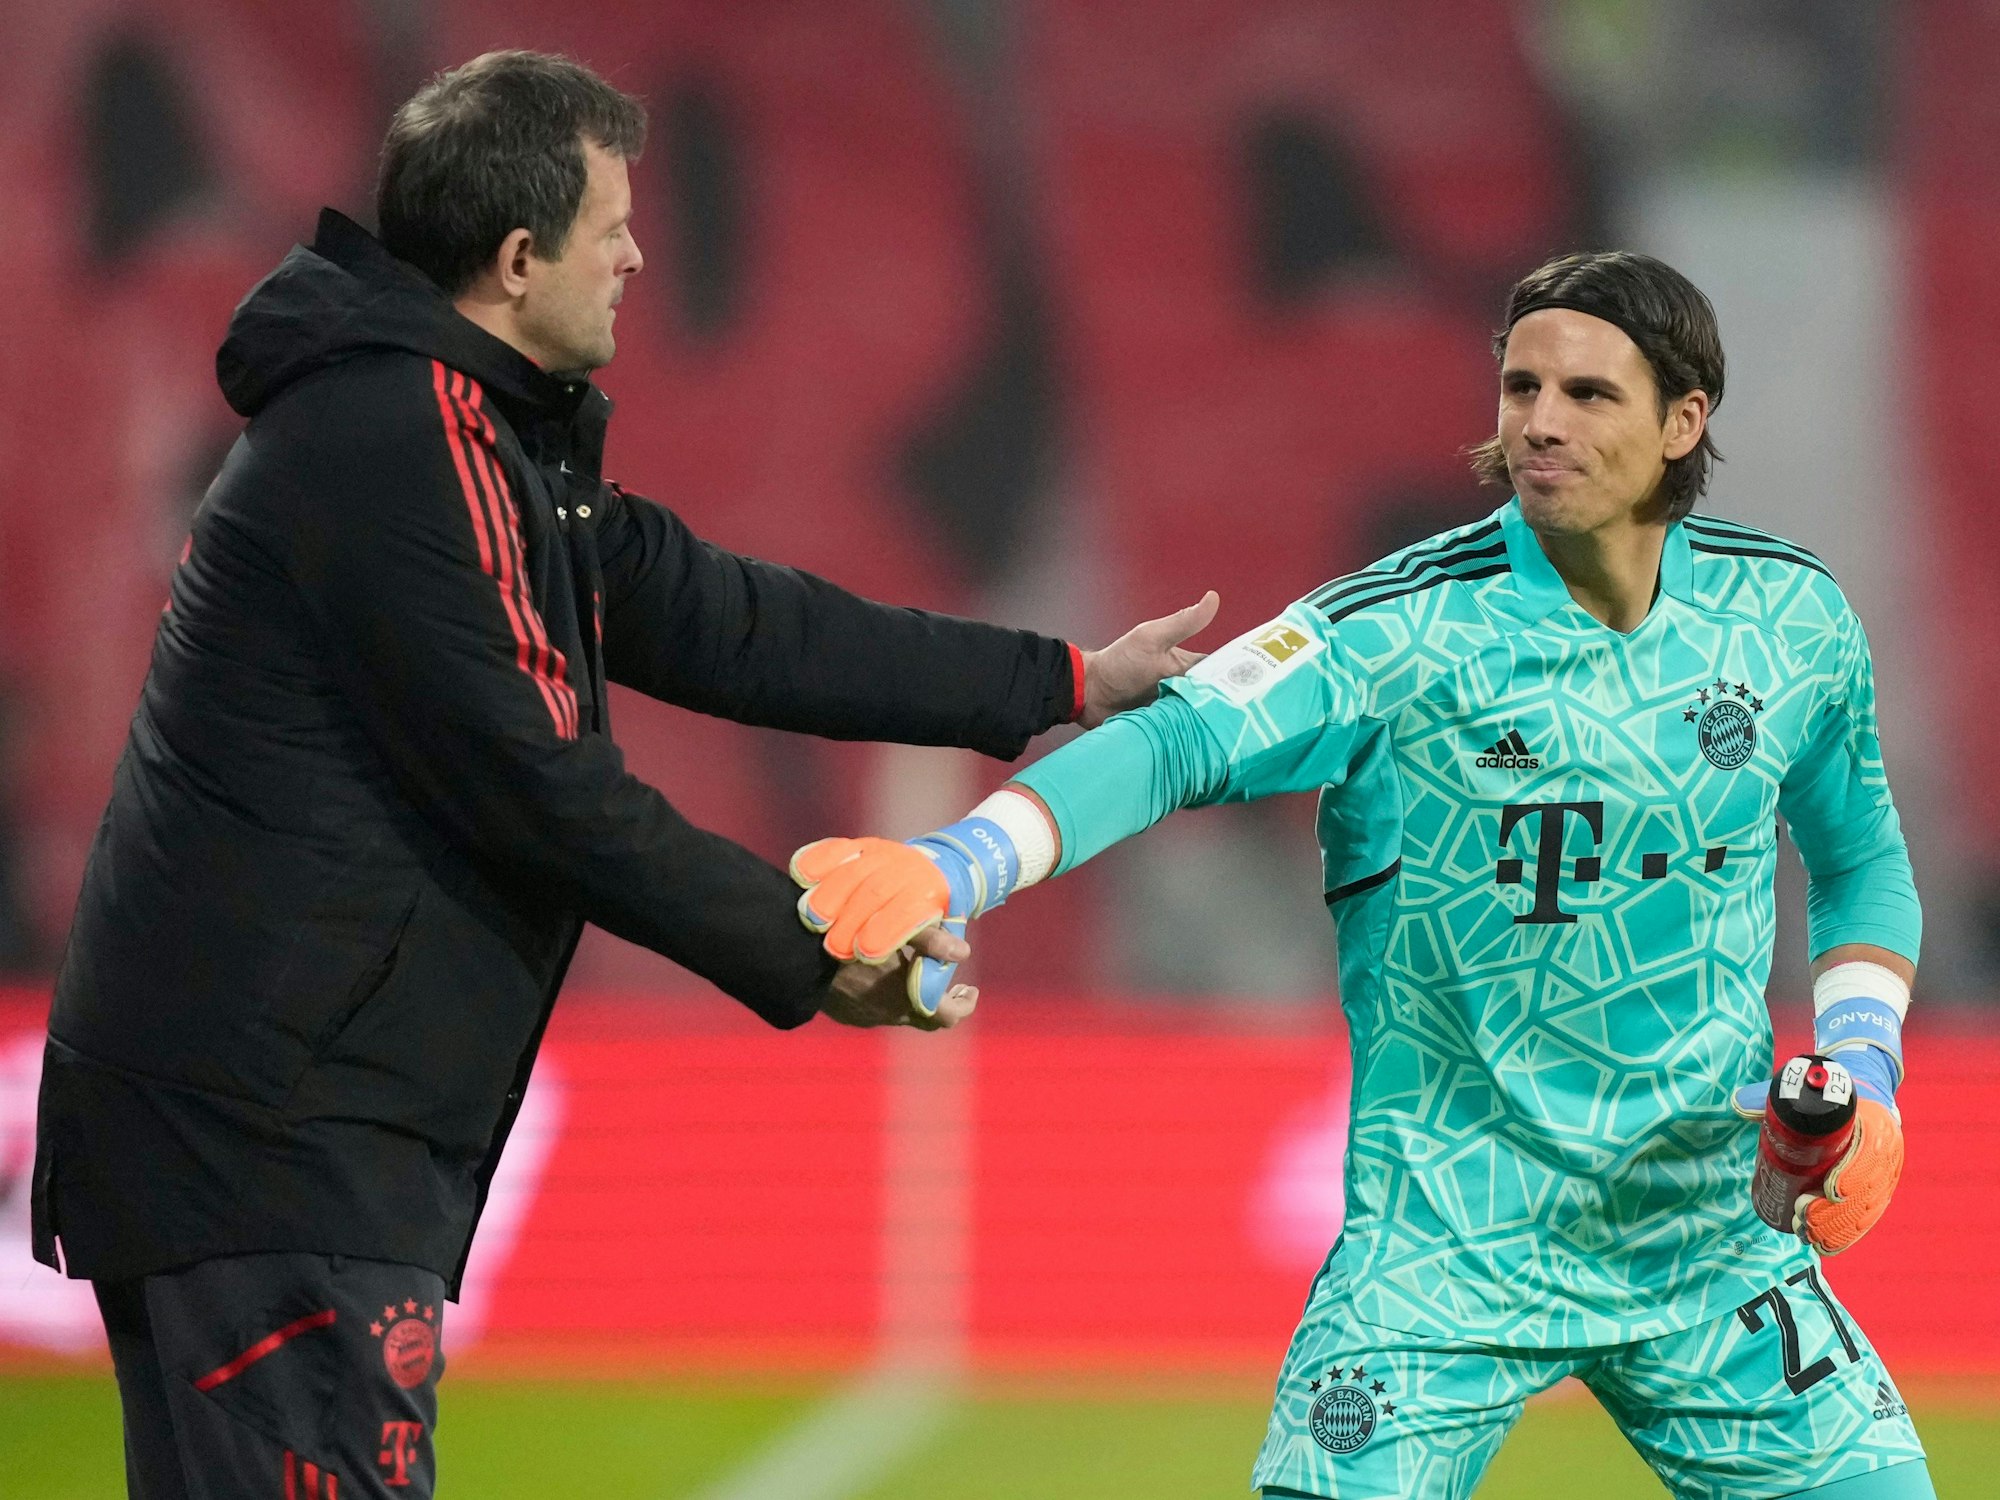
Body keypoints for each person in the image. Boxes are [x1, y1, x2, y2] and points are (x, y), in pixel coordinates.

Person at [31, 50, 1215, 1500]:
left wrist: (1064, 680)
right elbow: (543, 785)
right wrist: (810, 944)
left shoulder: (463, 438)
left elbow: (735, 621)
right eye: (613, 226)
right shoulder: (407, 442)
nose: (640, 252)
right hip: (275, 1136)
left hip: (265, 1129)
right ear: (519, 257)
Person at [793, 251, 1934, 1499]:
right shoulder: (1396, 629)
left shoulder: (1789, 621)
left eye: (1588, 394)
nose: (1538, 421)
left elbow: (1860, 858)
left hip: (1709, 1239)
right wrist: (961, 862)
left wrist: (1864, 1067)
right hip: (1442, 1252)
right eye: (1518, 385)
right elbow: (1177, 740)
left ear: (1682, 421)